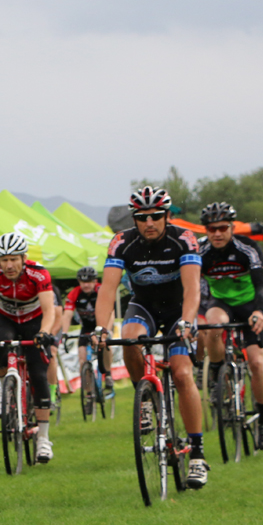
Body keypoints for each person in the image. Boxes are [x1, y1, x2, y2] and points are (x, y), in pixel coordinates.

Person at [93, 186, 209, 487]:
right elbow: (107, 290)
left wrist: (186, 321)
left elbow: (192, 288)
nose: (149, 223)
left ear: (167, 216)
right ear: (134, 219)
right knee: (130, 338)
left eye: (156, 216)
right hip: (143, 306)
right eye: (142, 217)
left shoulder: (183, 239)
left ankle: (197, 454)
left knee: (183, 374)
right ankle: (144, 397)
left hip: (177, 312)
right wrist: (101, 328)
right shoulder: (121, 242)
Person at [0, 232, 58, 463]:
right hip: (6, 318)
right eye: (4, 260)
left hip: (34, 319)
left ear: (24, 258)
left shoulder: (39, 273)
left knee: (38, 373)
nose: (9, 265)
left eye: (14, 259)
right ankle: (4, 389)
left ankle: (44, 439)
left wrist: (44, 333)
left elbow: (49, 310)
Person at [196, 202, 263, 449]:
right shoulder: (200, 250)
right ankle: (219, 374)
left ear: (231, 227)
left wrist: (260, 311)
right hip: (221, 303)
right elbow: (192, 286)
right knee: (212, 325)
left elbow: (261, 285)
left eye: (222, 228)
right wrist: (196, 314)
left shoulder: (247, 248)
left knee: (257, 362)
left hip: (250, 305)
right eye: (211, 229)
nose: (217, 233)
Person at [64, 267, 110, 391]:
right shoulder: (74, 294)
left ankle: (108, 374)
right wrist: (64, 333)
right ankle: (88, 392)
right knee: (82, 358)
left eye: (89, 281)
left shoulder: (102, 290)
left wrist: (107, 330)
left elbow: (111, 311)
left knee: (105, 345)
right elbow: (67, 315)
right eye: (83, 282)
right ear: (79, 282)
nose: (86, 285)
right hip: (86, 328)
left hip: (101, 324)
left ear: (95, 281)